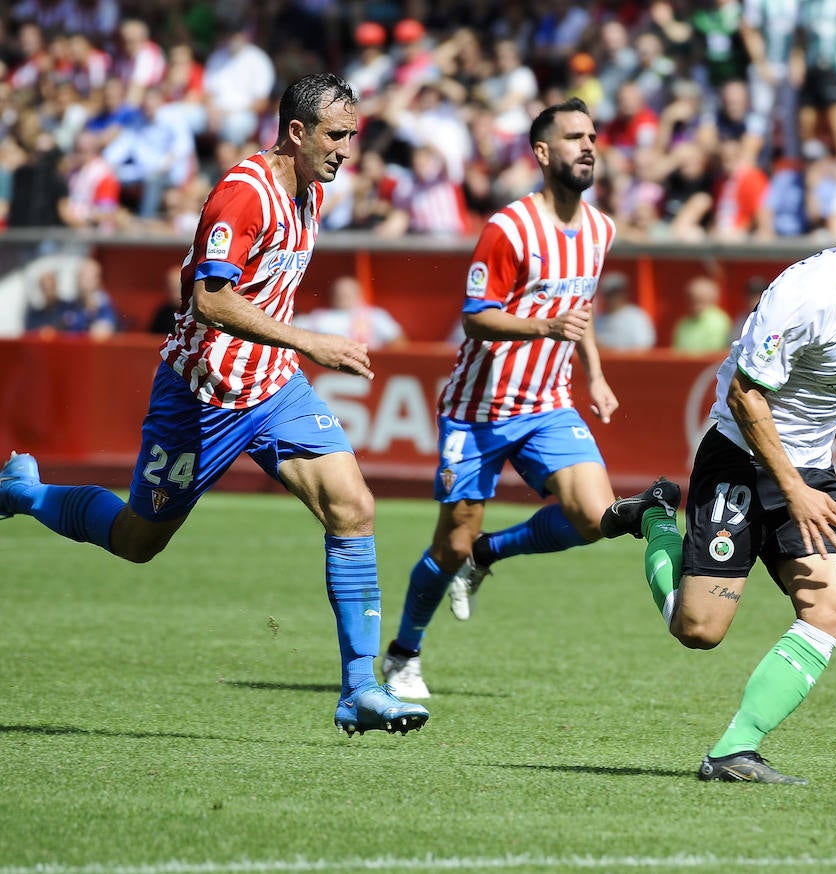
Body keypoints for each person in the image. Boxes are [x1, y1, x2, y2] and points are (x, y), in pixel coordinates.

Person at [0, 73, 429, 737]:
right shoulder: (243, 194)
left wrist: (290, 352)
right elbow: (212, 299)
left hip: (274, 389)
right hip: (200, 398)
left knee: (354, 507)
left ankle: (360, 689)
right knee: (137, 541)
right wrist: (307, 339)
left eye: (352, 135)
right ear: (296, 131)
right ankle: (29, 495)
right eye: (337, 135)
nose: (348, 149)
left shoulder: (311, 192)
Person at [599, 173, 836, 784]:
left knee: (831, 605)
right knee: (698, 632)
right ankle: (654, 516)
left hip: (808, 470)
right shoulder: (806, 295)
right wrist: (797, 489)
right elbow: (746, 393)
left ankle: (734, 749)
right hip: (739, 455)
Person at [378, 97, 664, 699]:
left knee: (592, 518)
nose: (588, 146)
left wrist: (596, 375)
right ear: (542, 153)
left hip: (549, 403)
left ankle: (490, 553)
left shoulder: (601, 229)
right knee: (448, 544)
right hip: (477, 411)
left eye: (592, 136)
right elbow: (476, 319)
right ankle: (403, 654)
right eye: (573, 138)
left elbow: (578, 314)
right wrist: (544, 328)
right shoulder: (509, 229)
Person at [294, 275, 406, 348]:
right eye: (339, 293)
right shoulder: (319, 316)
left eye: (347, 293)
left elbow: (398, 340)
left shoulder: (374, 315)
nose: (343, 296)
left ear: (359, 294)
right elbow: (295, 329)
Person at [594, 271, 656, 351]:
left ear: (624, 293)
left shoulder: (636, 316)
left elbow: (644, 347)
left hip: (631, 363)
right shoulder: (598, 320)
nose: (613, 298)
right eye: (609, 294)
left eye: (616, 293)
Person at [671, 275, 733, 354]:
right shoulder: (683, 323)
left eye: (700, 299)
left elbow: (715, 352)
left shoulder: (719, 322)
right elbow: (676, 351)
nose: (694, 304)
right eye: (691, 299)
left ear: (711, 299)